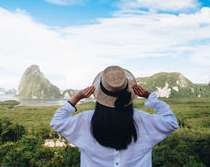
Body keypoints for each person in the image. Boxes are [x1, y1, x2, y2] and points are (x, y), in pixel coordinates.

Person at [50, 66, 178, 167]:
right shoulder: (143, 120)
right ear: (129, 94)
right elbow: (171, 122)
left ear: (100, 95)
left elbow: (56, 122)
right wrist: (151, 98)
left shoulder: (85, 120)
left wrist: (76, 98)